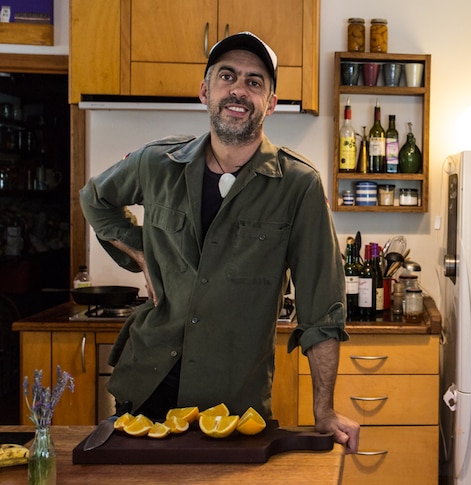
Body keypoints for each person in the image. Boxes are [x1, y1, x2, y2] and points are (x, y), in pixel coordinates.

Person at [79, 32, 359, 453]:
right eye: (227, 76)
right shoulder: (156, 164)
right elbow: (94, 199)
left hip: (234, 403)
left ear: (271, 102)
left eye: (254, 81)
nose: (239, 89)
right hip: (146, 384)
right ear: (205, 91)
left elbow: (322, 312)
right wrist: (139, 252)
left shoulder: (299, 187)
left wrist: (325, 410)